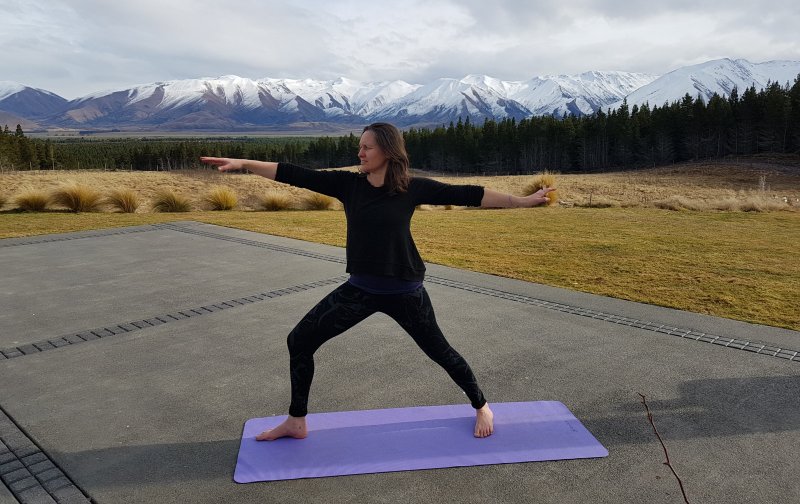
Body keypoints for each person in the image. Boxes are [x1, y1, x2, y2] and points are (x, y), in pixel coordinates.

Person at [200, 123, 554, 440]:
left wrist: (521, 201)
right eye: (360, 146)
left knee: (441, 353)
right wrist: (245, 164)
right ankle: (296, 421)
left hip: (406, 293)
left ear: (387, 149)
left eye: (367, 146)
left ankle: (481, 406)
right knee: (300, 340)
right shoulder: (348, 185)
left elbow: (469, 194)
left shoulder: (411, 189)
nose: (360, 152)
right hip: (361, 291)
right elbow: (294, 173)